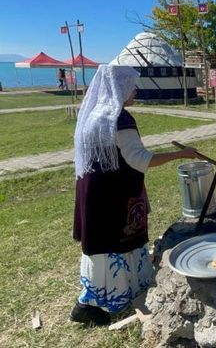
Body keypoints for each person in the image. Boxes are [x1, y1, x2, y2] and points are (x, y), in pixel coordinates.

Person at [70, 65, 201, 325]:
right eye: (131, 84)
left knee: (100, 245)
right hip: (114, 196)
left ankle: (92, 298)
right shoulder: (120, 118)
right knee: (115, 243)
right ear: (119, 87)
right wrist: (182, 153)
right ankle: (93, 303)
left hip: (94, 193)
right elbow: (140, 159)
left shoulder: (95, 114)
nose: (135, 89)